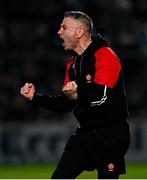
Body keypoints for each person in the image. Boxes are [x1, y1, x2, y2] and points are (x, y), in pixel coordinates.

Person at [20, 11, 130, 179]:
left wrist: (78, 93)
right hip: (85, 135)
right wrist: (35, 97)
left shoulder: (105, 55)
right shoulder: (72, 65)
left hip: (111, 136)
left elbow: (103, 98)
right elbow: (66, 104)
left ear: (80, 33)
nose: (59, 32)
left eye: (64, 27)